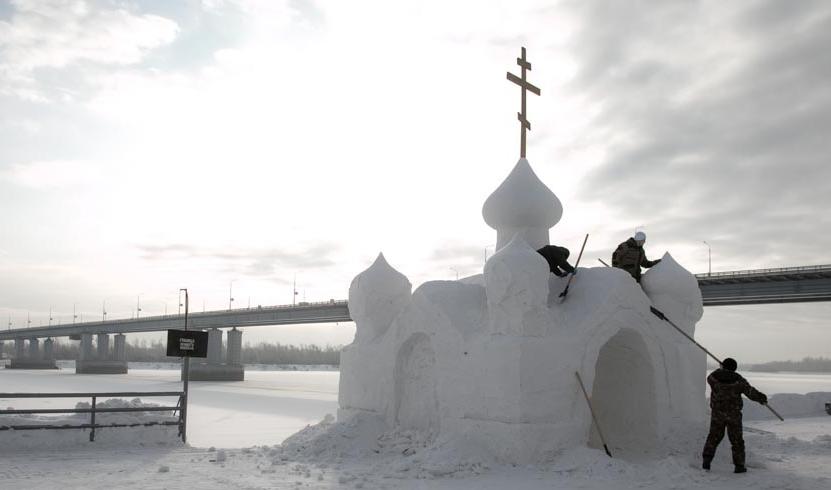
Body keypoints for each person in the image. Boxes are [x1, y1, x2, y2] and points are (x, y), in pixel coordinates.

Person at [702, 357, 768, 473]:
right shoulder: (739, 381)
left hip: (718, 414)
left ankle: (706, 462)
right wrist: (761, 398)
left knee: (713, 438)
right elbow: (750, 392)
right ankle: (739, 466)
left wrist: (720, 368)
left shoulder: (714, 378)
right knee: (737, 441)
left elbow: (710, 377)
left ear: (723, 366)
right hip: (734, 415)